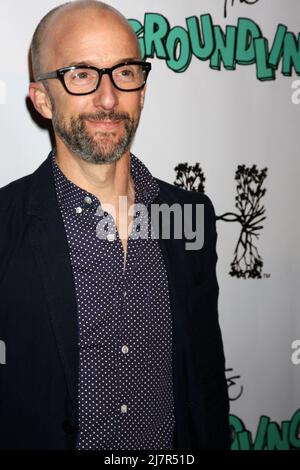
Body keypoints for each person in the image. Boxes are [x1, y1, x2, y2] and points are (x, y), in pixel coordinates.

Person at [0, 0, 230, 450]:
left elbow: (205, 381)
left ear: (142, 90)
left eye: (125, 72)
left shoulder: (190, 216)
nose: (108, 99)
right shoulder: (5, 226)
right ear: (43, 98)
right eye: (82, 74)